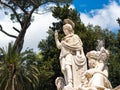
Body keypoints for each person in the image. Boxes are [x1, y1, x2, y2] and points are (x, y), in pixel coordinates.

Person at [54, 19, 87, 88]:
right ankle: (68, 83)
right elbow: (59, 46)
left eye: (65, 30)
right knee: (64, 69)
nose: (64, 31)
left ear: (69, 29)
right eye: (63, 30)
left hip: (70, 54)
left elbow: (78, 46)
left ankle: (70, 83)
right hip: (63, 56)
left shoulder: (75, 36)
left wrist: (78, 54)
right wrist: (56, 38)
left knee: (67, 67)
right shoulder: (64, 39)